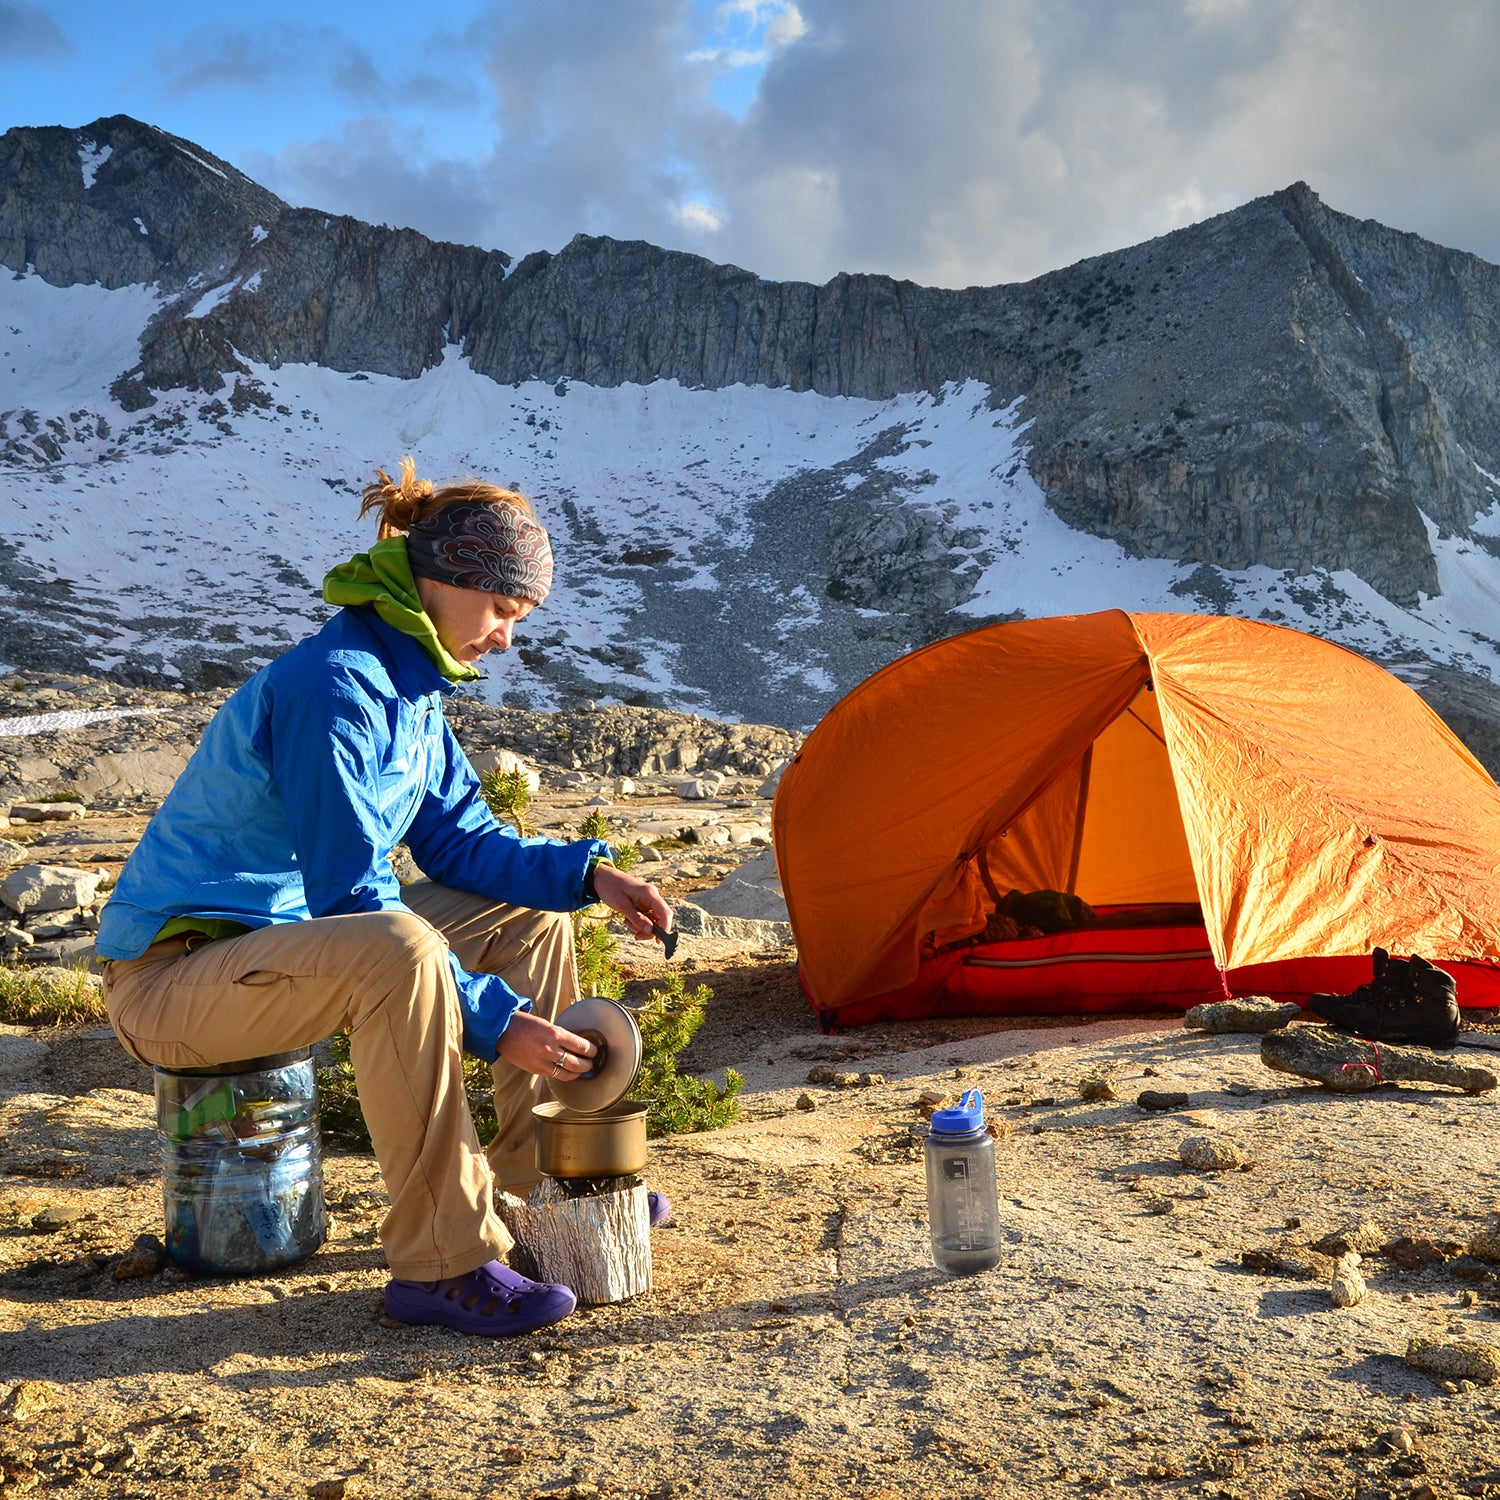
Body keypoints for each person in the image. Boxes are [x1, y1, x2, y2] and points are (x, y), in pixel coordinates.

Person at [96, 457, 673, 1337]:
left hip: (277, 958)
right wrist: (495, 1019)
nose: (508, 639)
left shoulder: (411, 692)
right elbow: (351, 899)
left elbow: (461, 842)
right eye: (503, 612)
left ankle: (540, 1187)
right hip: (175, 983)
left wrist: (592, 876)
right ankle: (442, 1261)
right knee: (396, 947)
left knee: (530, 915)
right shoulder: (335, 689)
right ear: (443, 582)